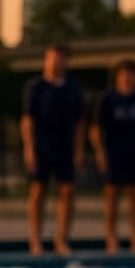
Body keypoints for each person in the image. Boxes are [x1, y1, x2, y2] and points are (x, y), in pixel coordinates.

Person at [21, 43, 86, 256]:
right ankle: (35, 240)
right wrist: (29, 148)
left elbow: (78, 124)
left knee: (67, 191)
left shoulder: (72, 89)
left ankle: (61, 239)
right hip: (42, 144)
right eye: (52, 58)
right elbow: (27, 119)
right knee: (38, 190)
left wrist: (78, 150)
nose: (56, 62)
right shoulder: (36, 87)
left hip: (64, 145)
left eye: (60, 58)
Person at [90, 59, 135, 255]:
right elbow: (95, 130)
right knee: (112, 197)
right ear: (118, 76)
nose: (128, 77)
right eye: (124, 73)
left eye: (131, 73)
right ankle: (111, 238)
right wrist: (100, 153)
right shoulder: (107, 99)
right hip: (113, 154)